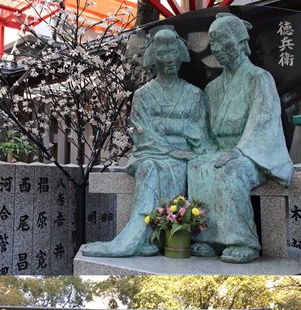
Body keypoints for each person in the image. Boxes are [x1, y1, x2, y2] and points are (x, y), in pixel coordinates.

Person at [82, 27, 209, 258]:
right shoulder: (143, 95)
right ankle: (140, 237)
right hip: (151, 154)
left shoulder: (195, 94)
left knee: (193, 168)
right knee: (151, 168)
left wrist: (187, 148)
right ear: (154, 60)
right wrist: (171, 148)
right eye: (163, 55)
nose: (169, 61)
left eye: (173, 55)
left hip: (186, 153)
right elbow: (142, 134)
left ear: (180, 57)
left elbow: (199, 132)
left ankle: (169, 236)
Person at [186, 13, 293, 264]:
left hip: (253, 154)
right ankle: (207, 238)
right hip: (221, 149)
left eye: (224, 43)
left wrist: (239, 151)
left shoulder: (259, 78)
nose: (219, 50)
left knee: (230, 171)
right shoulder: (212, 88)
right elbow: (206, 128)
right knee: (197, 165)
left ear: (239, 42)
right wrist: (207, 148)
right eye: (214, 44)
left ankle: (242, 240)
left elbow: (263, 121)